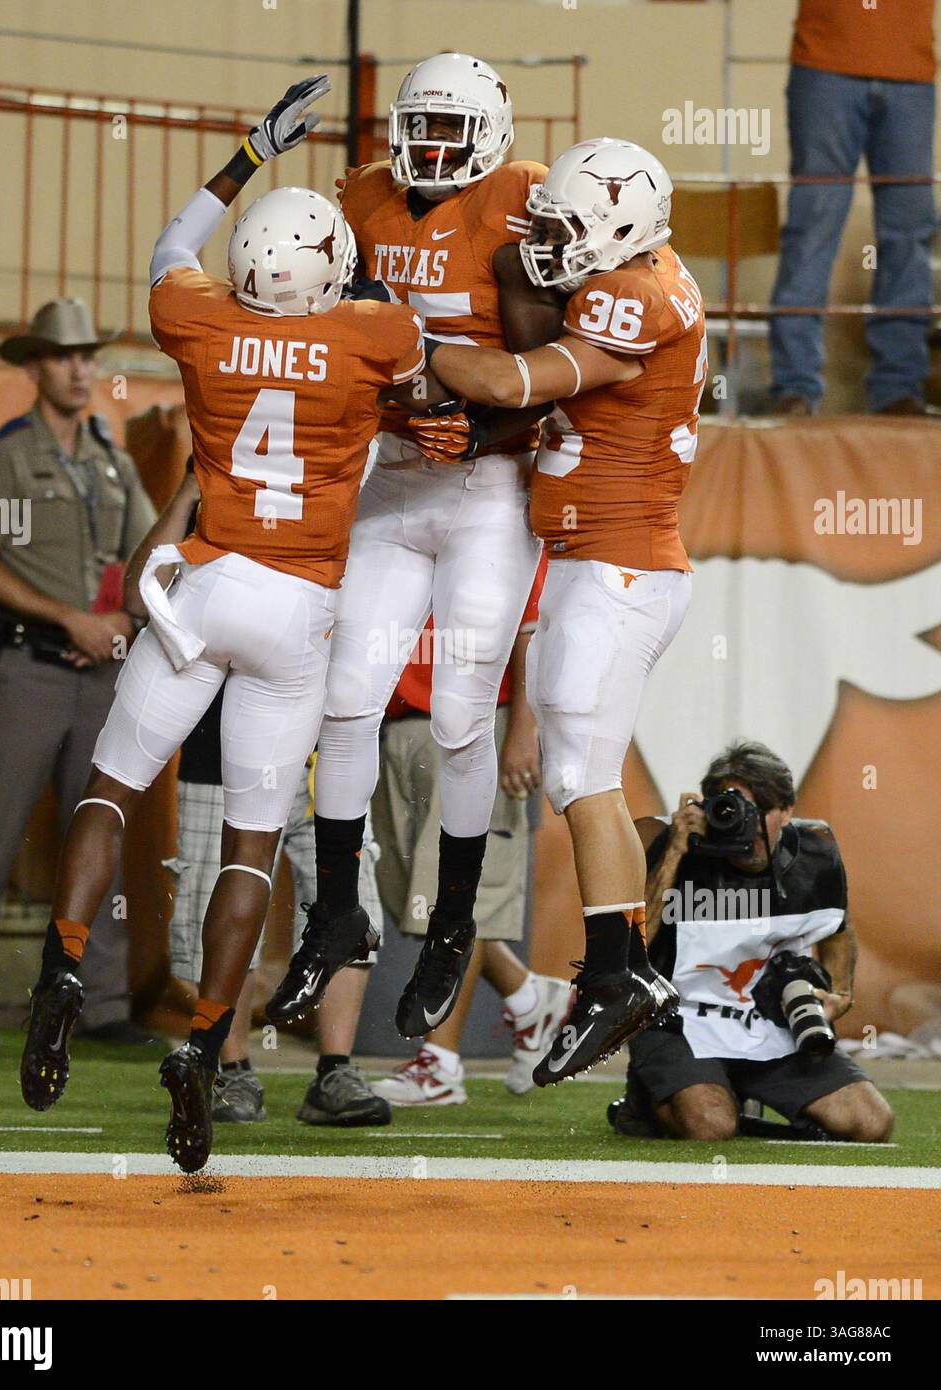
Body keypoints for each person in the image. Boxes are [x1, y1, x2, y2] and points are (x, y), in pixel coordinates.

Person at [17, 76, 427, 1174]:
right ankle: (207, 1040)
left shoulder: (196, 318)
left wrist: (251, 147)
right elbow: (414, 338)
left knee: (109, 788)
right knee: (252, 847)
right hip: (297, 612)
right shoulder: (368, 336)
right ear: (325, 276)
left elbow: (171, 243)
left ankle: (60, 962)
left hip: (200, 589)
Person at [267, 52, 563, 1047]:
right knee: (346, 696)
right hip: (394, 476)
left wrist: (476, 429)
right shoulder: (361, 197)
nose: (430, 149)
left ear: (490, 134)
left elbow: (547, 375)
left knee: (461, 712)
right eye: (419, 127)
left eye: (450, 130)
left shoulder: (519, 209)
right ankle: (336, 911)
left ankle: (452, 921)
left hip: (486, 484)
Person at [422, 138, 705, 1084]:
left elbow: (509, 382)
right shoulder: (640, 272)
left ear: (621, 230)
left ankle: (619, 979)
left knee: (582, 775)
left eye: (568, 228)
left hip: (616, 570)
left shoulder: (635, 296)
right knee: (581, 777)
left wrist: (403, 341)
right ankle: (620, 975)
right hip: (609, 566)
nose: (549, 243)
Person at [122, 469, 390, 1127]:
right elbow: (139, 591)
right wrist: (190, 487)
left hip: (325, 748)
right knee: (213, 909)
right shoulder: (213, 497)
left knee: (352, 906)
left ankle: (334, 1071)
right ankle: (230, 1068)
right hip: (222, 751)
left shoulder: (330, 497)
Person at [0, 298, 157, 1048]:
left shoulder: (111, 458)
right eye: (64, 356)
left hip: (102, 676)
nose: (79, 368)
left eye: (88, 355)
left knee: (99, 834)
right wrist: (72, 618)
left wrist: (129, 616)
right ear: (34, 366)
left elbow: (146, 555)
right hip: (30, 668)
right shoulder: (4, 457)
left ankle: (100, 1005)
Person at [609, 741, 893, 1144]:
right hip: (678, 1022)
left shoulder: (814, 851)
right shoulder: (661, 839)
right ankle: (646, 1100)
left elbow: (837, 926)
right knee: (711, 1127)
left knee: (870, 1123)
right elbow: (629, 944)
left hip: (768, 1021)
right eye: (732, 809)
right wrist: (674, 851)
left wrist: (841, 991)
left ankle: (731, 1091)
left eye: (760, 809)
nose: (745, 824)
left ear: (788, 811)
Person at [370, 558, 572, 1104]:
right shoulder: (403, 506)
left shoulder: (503, 512)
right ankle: (530, 999)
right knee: (413, 898)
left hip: (481, 720)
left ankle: (440, 1064)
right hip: (399, 720)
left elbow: (532, 634)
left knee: (462, 897)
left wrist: (524, 732)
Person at [769, 0, 937, 414]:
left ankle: (899, 386)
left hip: (910, 71)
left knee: (910, 231)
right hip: (824, 65)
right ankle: (794, 385)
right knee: (812, 226)